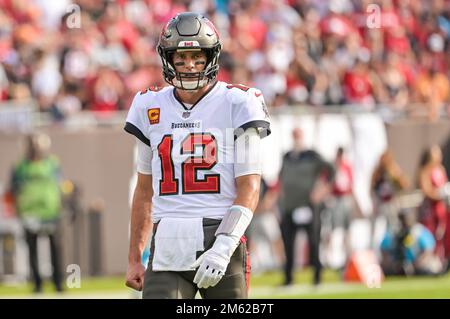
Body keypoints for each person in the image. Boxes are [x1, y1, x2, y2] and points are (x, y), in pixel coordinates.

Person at [124, 12, 271, 299]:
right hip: (167, 241)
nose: (189, 65)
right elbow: (144, 190)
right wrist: (134, 257)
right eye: (180, 58)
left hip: (219, 234)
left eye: (197, 57)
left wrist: (224, 247)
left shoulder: (239, 102)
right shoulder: (148, 105)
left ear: (211, 57)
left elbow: (250, 187)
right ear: (167, 59)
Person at [278, 127, 334, 286]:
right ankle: (288, 277)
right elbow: (281, 177)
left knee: (314, 241)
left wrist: (322, 189)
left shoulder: (312, 155)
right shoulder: (287, 156)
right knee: (288, 243)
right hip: (290, 206)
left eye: (298, 135)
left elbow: (331, 170)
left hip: (308, 205)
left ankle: (317, 276)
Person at [9, 133, 63, 293]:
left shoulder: (52, 163)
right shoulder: (21, 166)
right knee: (32, 249)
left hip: (50, 211)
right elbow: (14, 189)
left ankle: (58, 282)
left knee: (55, 248)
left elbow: (59, 184)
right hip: (29, 212)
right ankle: (37, 283)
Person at [380, 209, 443, 276]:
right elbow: (384, 248)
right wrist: (391, 261)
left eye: (407, 218)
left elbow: (428, 250)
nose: (405, 221)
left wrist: (417, 263)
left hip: (418, 263)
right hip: (398, 264)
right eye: (402, 218)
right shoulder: (394, 232)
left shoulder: (419, 231)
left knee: (432, 267)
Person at [417, 145, 449, 265]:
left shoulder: (440, 169)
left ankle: (441, 260)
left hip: (441, 208)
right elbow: (426, 191)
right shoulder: (425, 171)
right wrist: (438, 195)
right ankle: (429, 262)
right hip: (430, 210)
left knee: (441, 234)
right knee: (430, 235)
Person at [370, 150, 409, 247]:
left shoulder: (393, 170)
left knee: (393, 228)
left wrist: (396, 174)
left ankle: (392, 248)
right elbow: (372, 188)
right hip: (381, 205)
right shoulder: (377, 173)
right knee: (380, 229)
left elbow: (404, 184)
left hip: (392, 205)